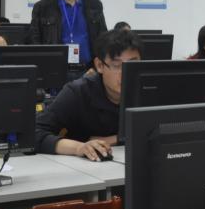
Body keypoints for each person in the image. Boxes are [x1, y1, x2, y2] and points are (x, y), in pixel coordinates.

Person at [34, 29, 141, 161]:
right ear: (100, 65)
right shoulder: (78, 92)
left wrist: (114, 139)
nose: (125, 73)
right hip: (83, 166)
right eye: (117, 65)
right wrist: (79, 147)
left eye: (133, 64)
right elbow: (35, 132)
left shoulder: (149, 89)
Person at [29, 0, 108, 81]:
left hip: (88, 71)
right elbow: (35, 42)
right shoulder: (42, 7)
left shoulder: (94, 5)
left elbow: (103, 40)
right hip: (55, 72)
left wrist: (96, 68)